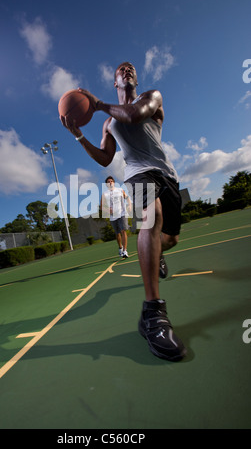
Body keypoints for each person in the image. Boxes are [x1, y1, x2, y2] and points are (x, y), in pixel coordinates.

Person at [60, 62, 186, 362]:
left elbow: (132, 115)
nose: (126, 70)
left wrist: (100, 104)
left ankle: (158, 252)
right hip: (137, 174)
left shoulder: (151, 97)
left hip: (167, 174)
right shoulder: (107, 122)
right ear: (115, 80)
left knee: (170, 239)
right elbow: (105, 158)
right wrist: (79, 135)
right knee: (150, 219)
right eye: (121, 70)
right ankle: (153, 313)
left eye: (130, 68)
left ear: (135, 79)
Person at [101, 175, 131, 258]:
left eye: (111, 181)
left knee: (123, 231)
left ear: (114, 182)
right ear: (106, 184)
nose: (110, 183)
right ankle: (120, 247)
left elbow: (127, 197)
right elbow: (101, 207)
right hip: (113, 216)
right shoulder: (104, 194)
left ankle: (125, 251)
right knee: (117, 233)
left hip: (122, 213)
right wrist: (108, 210)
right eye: (108, 182)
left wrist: (129, 205)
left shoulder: (120, 190)